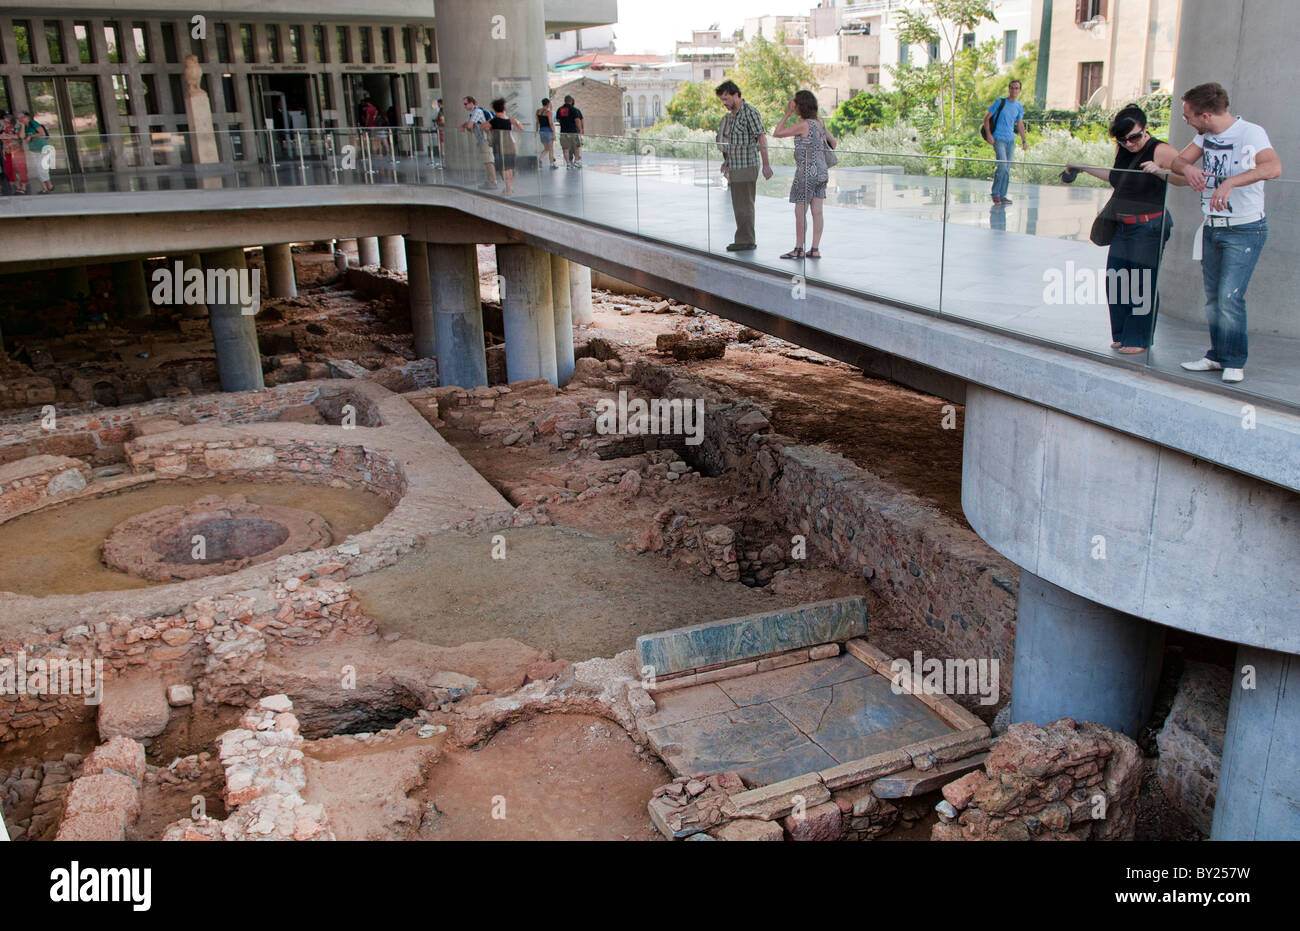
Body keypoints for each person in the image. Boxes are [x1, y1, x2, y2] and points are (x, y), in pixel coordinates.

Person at [1170, 82, 1282, 384]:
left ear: (1205, 115)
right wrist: (1189, 169)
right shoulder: (1204, 135)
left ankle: (1234, 359)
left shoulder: (1251, 133)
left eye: (1188, 116)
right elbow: (1178, 161)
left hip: (1245, 230)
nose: (1187, 122)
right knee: (1213, 298)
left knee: (1229, 296)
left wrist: (1232, 182)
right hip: (1212, 227)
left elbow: (1273, 167)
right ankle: (1217, 355)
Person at [1066, 104, 1187, 353]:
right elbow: (1116, 177)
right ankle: (1122, 333)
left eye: (1134, 137)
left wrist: (1161, 171)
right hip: (1123, 225)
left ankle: (1139, 338)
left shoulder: (1160, 149)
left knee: (1142, 282)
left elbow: (1185, 178)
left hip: (1149, 225)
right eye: (1123, 140)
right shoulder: (1123, 149)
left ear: (1145, 130)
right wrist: (1082, 166)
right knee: (1116, 279)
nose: (1129, 144)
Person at [772, 90, 835, 259]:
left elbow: (777, 132)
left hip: (806, 172)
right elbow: (833, 143)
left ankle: (799, 248)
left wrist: (787, 113)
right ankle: (814, 249)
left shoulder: (804, 125)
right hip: (822, 171)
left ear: (800, 106)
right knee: (818, 212)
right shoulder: (820, 123)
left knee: (800, 211)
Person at [715, 80, 773, 252]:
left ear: (736, 95)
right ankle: (743, 239)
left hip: (747, 165)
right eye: (722, 100)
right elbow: (733, 143)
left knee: (745, 205)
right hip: (735, 166)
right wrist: (727, 162)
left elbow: (761, 138)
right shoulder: (731, 116)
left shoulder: (750, 112)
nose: (724, 103)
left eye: (726, 99)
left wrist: (766, 165)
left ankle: (746, 240)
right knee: (739, 205)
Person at [982, 79, 1027, 205]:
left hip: (1010, 140)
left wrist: (1024, 141)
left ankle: (1002, 195)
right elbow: (986, 119)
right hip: (998, 138)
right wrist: (989, 135)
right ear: (1009, 89)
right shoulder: (1000, 102)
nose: (1014, 90)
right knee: (1002, 166)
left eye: (1016, 88)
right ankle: (995, 193)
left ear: (1019, 90)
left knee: (1007, 168)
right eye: (1012, 88)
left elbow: (1020, 123)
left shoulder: (1019, 106)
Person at [459, 96, 499, 189]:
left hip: (485, 139)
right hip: (481, 140)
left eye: (465, 104)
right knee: (486, 161)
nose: (464, 106)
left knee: (489, 160)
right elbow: (468, 124)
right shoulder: (473, 113)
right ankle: (489, 181)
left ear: (471, 103)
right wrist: (464, 125)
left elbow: (469, 125)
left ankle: (493, 181)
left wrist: (465, 126)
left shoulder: (477, 111)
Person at [488, 98, 525, 195]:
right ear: (504, 108)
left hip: (499, 146)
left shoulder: (493, 121)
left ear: (495, 110)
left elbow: (483, 127)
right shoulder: (510, 119)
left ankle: (508, 188)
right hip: (510, 145)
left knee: (502, 168)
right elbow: (521, 127)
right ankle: (509, 188)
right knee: (509, 168)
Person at [18, 112, 53, 194]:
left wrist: (31, 136)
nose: (20, 119)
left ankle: (49, 185)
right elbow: (22, 136)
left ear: (27, 118)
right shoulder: (22, 127)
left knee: (43, 169)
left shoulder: (33, 123)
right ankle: (45, 187)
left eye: (22, 117)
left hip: (43, 148)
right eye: (18, 118)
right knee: (38, 169)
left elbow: (42, 133)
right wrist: (23, 126)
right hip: (33, 150)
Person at [555, 95, 584, 168]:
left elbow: (558, 120)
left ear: (565, 101)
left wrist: (564, 122)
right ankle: (576, 162)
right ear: (571, 101)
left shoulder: (560, 109)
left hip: (563, 132)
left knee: (565, 149)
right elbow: (577, 120)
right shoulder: (573, 109)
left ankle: (568, 163)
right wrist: (580, 129)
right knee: (576, 147)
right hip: (573, 132)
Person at [536, 98, 557, 169]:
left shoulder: (538, 111)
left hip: (541, 131)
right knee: (550, 148)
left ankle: (540, 159)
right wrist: (554, 133)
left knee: (546, 148)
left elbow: (537, 122)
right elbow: (551, 123)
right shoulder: (549, 113)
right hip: (548, 131)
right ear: (548, 104)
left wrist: (536, 131)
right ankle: (552, 164)